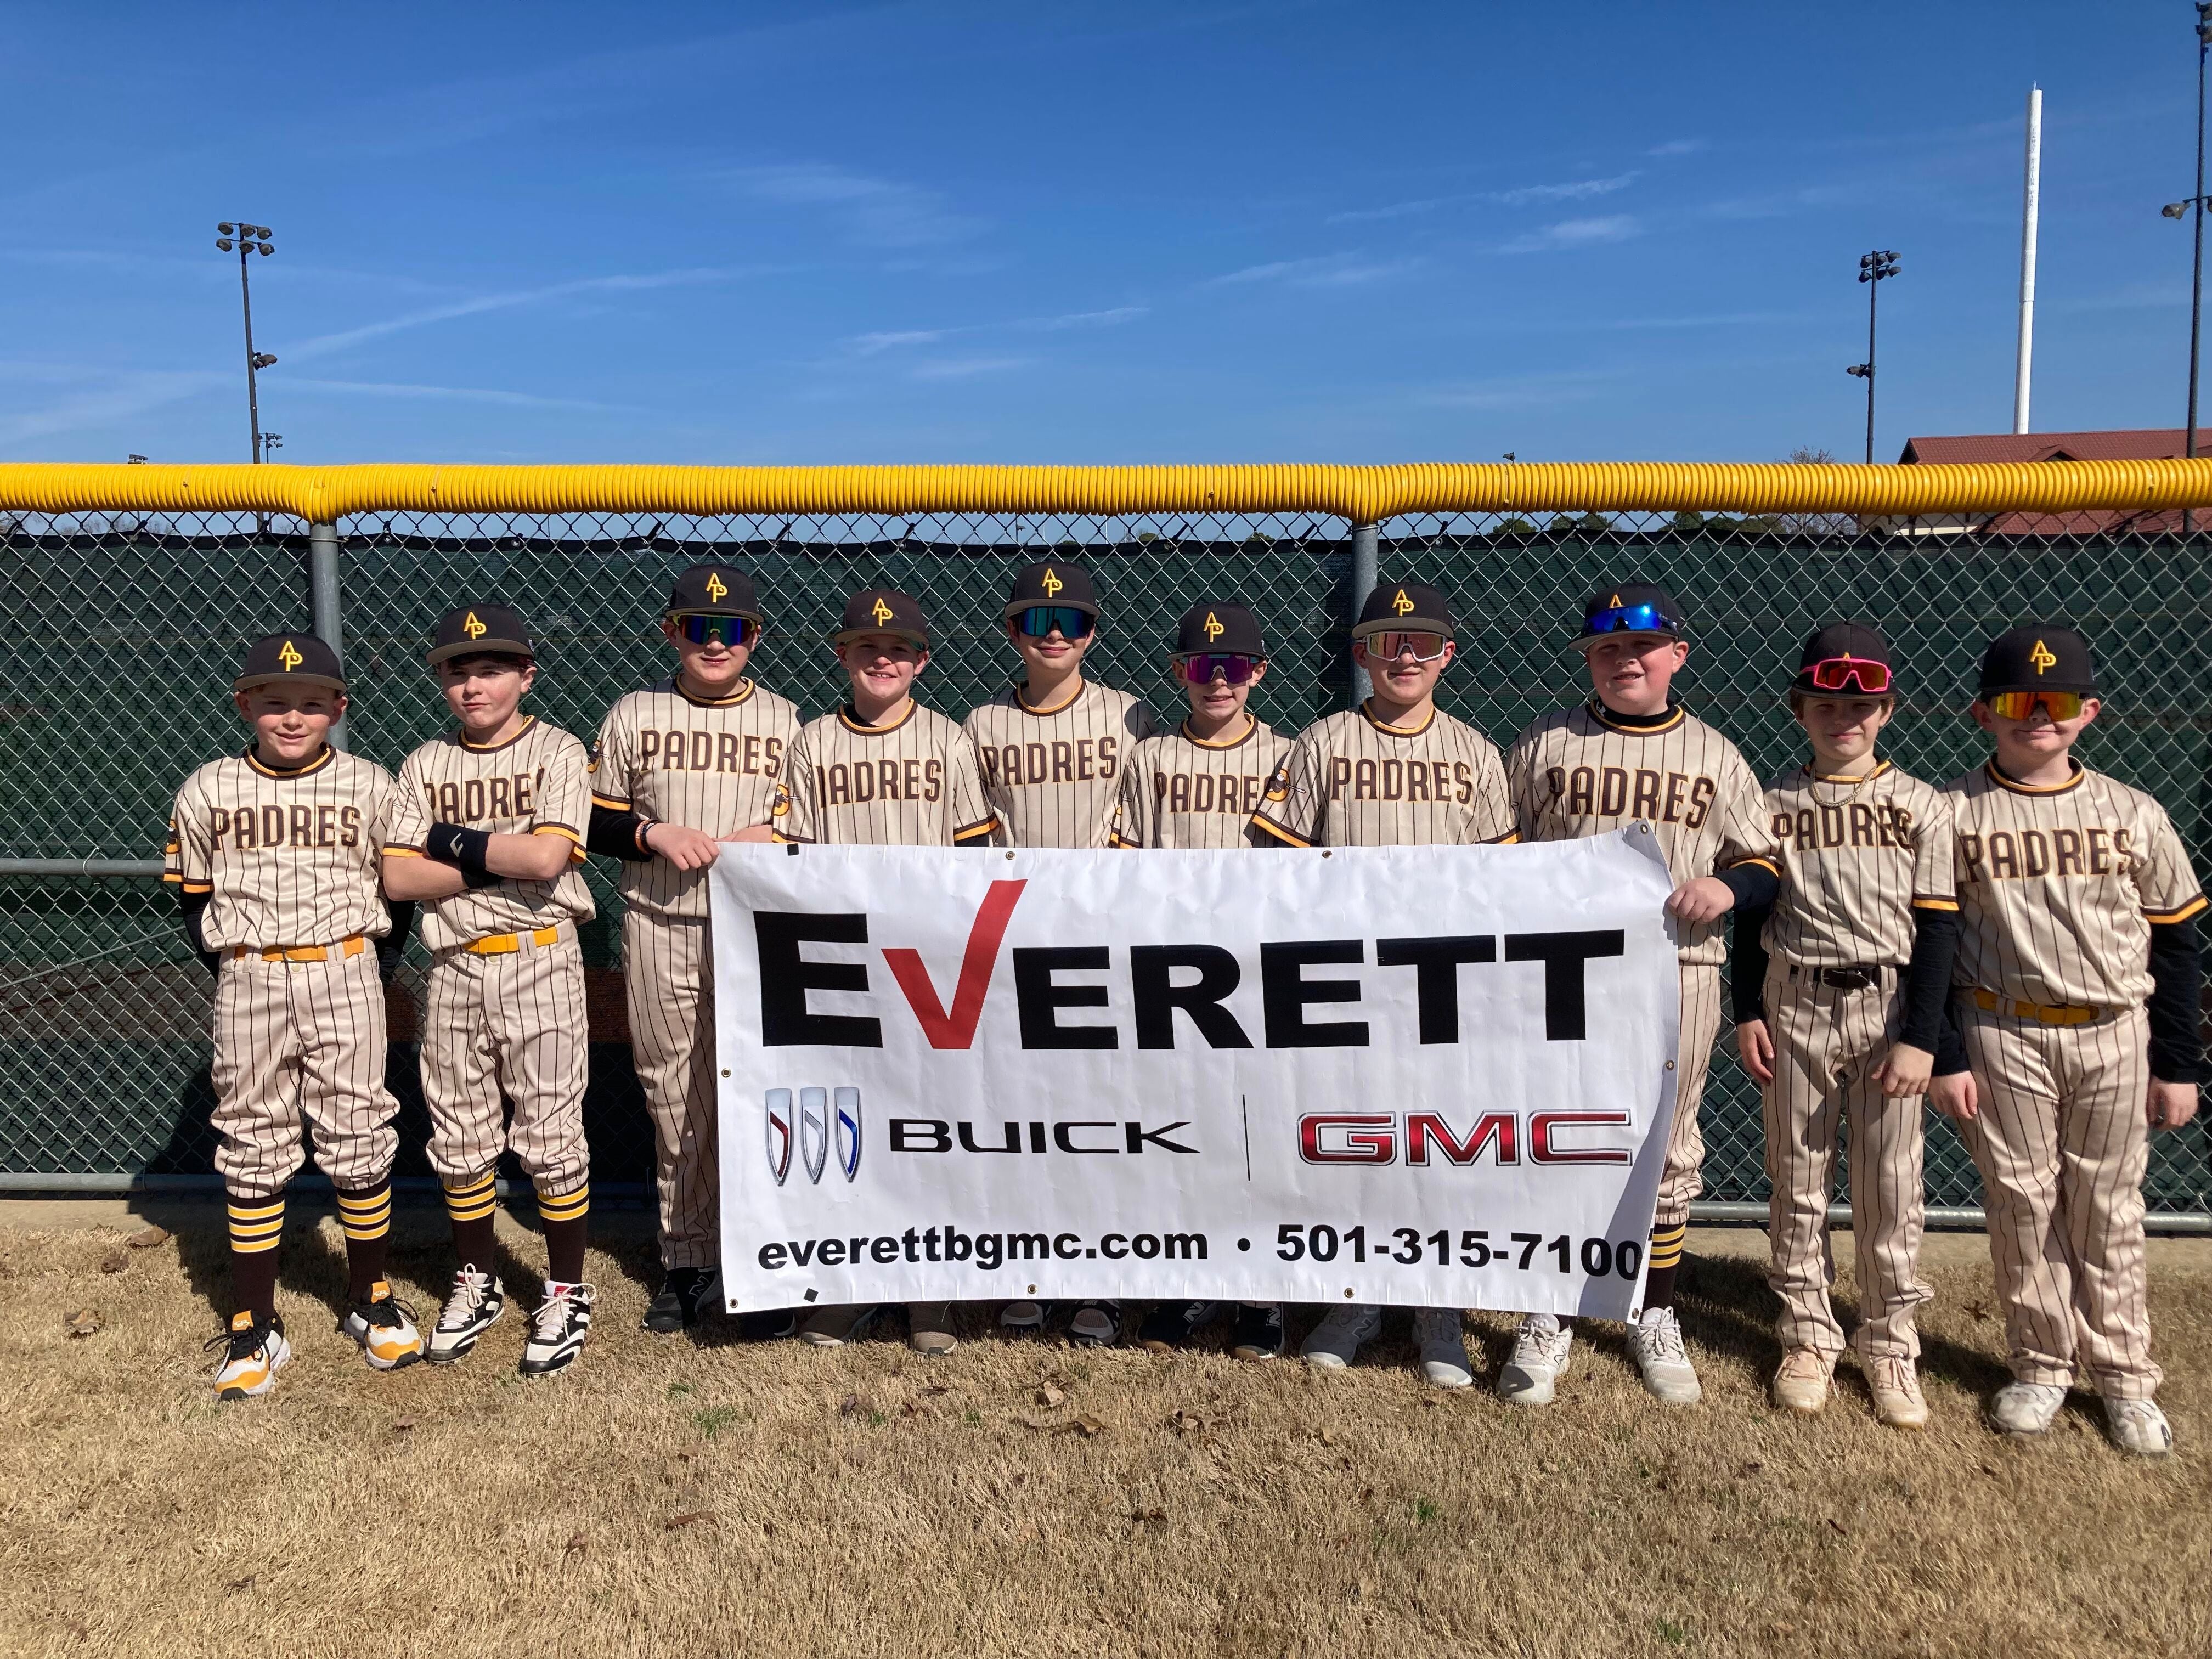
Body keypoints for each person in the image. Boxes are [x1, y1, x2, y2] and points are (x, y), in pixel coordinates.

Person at [1499, 583, 1779, 1408]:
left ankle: (1654, 1312)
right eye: (1608, 648)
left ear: (1676, 656)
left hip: (1677, 972)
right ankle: (1548, 1311)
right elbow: (1498, 855)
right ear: (1588, 657)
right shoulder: (1547, 745)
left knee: (1666, 1143)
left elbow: (1763, 864)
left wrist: (1728, 889)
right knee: (1551, 1136)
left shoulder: (1716, 755)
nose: (1626, 660)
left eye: (1642, 648)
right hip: (1560, 976)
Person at [1929, 625, 2203, 1458]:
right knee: (2022, 1203)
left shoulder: (2133, 812)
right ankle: (2044, 1362)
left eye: (2056, 702)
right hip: (2001, 1026)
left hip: (2114, 1031)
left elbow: (2180, 942)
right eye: (2017, 701)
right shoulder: (1954, 812)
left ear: (2089, 712)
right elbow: (1930, 945)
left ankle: (2124, 1376)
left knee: (2109, 1209)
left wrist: (2179, 1063)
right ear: (1984, 712)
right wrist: (1944, 1051)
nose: (2036, 717)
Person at [1250, 580, 1516, 1387]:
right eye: (1388, 641)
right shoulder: (1322, 740)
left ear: (1447, 655)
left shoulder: (1476, 752)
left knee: (1438, 1140)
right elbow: (1276, 862)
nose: (1405, 655)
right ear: (1361, 653)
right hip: (1344, 979)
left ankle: (1439, 1313)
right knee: (1353, 1136)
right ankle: (1355, 1297)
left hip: (1440, 983)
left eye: (1422, 642)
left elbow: (1503, 884)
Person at [166, 633, 425, 1398]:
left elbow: (398, 894)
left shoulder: (372, 784)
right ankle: (255, 1322)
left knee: (360, 1130)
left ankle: (369, 1298)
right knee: (251, 1137)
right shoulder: (208, 787)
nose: (291, 718)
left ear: (338, 709)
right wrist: (241, 967)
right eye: (274, 703)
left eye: (311, 704)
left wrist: (367, 965)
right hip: (250, 971)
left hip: (346, 965)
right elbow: (193, 899)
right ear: (246, 704)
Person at [1731, 623, 1956, 1427]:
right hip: (1794, 997)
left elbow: (1939, 932)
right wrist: (1746, 1009)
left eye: (1862, 704)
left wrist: (1923, 1036)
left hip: (1888, 1002)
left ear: (1888, 711)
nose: (1845, 717)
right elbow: (1745, 916)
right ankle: (1808, 1335)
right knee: (1798, 1178)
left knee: (1890, 1185)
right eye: (1826, 703)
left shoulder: (1924, 806)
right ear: (1800, 710)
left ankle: (1891, 1345)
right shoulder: (1770, 802)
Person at [770, 587, 998, 1355]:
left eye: (898, 650)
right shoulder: (809, 743)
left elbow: (975, 857)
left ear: (922, 662)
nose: (883, 660)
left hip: (928, 962)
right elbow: (788, 856)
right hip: (841, 960)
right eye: (867, 648)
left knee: (932, 1122)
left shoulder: (949, 740)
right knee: (854, 1122)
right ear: (843, 655)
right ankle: (850, 1283)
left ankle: (929, 1286)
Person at [383, 605, 598, 1377]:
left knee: (549, 1134)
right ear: (442, 680)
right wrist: (494, 855)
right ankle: (477, 1279)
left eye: (492, 669)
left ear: (526, 675)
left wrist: (445, 840)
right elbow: (398, 875)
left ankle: (567, 1287)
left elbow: (547, 862)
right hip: (455, 966)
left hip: (540, 957)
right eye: (459, 671)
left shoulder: (559, 750)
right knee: (460, 1136)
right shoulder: (422, 764)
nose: (474, 685)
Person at [586, 566, 799, 1336]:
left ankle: (758, 1252)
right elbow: (594, 820)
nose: (715, 643)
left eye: (732, 629)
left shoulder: (784, 719)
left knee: (757, 1093)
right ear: (671, 633)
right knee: (673, 1099)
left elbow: (806, 823)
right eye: (699, 629)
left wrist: (773, 836)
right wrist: (652, 833)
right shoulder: (635, 713)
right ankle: (686, 1261)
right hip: (659, 921)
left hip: (753, 934)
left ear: (755, 638)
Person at [963, 559, 1156, 1344]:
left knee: (1103, 1113)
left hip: (1105, 940)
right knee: (1024, 1112)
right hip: (1016, 943)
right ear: (1012, 632)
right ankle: (1028, 1270)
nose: (1052, 635)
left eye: (1070, 622)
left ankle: (1101, 1280)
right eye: (1035, 622)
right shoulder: (981, 724)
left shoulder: (1133, 715)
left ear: (1092, 634)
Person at [1113, 600, 1291, 1362]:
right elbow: (1124, 862)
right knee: (1181, 1126)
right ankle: (1186, 1279)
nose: (1217, 682)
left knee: (1260, 1130)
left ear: (1257, 672)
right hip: (1172, 969)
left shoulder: (1287, 753)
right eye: (1199, 668)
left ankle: (1264, 1297)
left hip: (1255, 973)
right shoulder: (1150, 757)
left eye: (1233, 667)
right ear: (1179, 674)